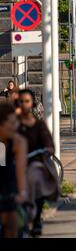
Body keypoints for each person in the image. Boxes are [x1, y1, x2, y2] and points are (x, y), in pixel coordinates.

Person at [17, 89, 58, 237]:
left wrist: (47, 149)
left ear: (32, 103)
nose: (24, 104)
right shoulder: (12, 123)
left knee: (36, 177)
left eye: (27, 101)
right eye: (21, 101)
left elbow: (49, 144)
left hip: (33, 162)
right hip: (15, 163)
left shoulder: (39, 125)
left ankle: (36, 219)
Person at [0, 102, 27, 238]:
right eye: (11, 123)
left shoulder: (18, 142)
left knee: (12, 225)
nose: (15, 126)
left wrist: (22, 193)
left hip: (10, 189)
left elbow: (20, 170)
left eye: (16, 122)